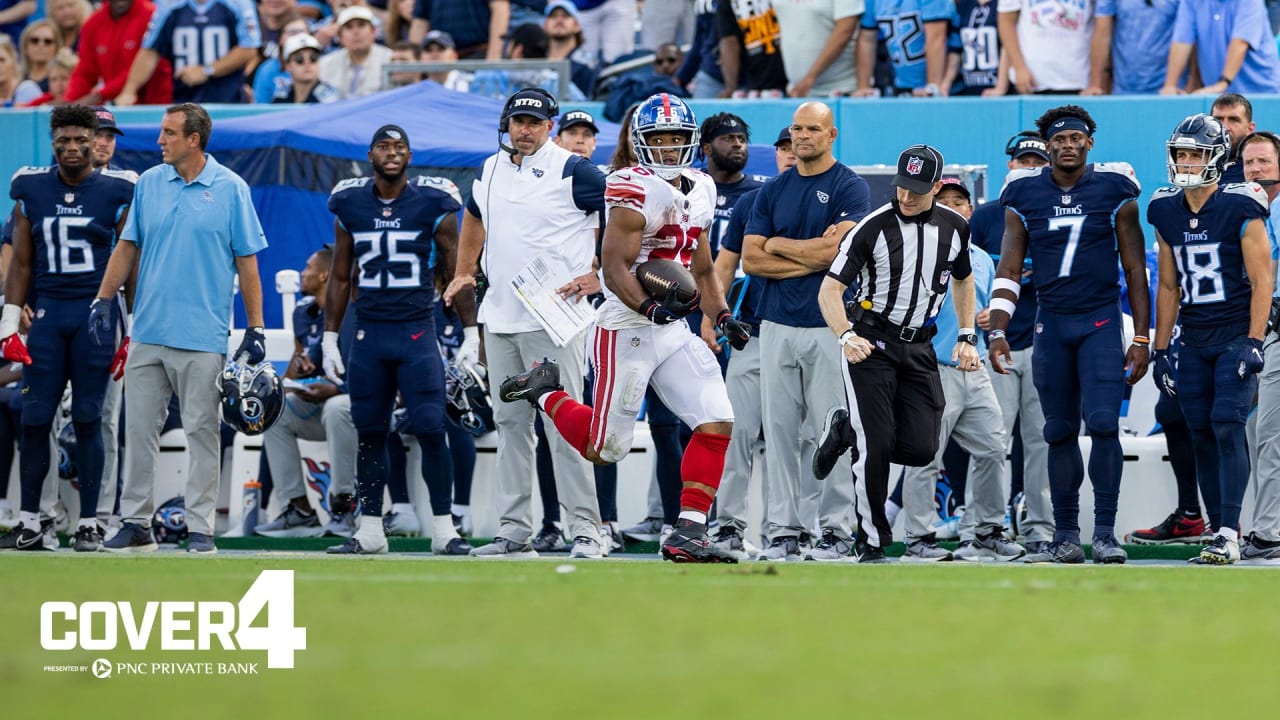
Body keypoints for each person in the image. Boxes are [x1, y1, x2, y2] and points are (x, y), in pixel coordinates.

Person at [497, 92, 751, 564]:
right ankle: (545, 392)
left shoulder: (701, 186)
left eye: (678, 138)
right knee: (604, 448)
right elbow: (614, 267)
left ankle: (688, 531)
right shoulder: (631, 187)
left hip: (671, 328)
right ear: (640, 142)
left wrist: (721, 315)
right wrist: (648, 309)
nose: (670, 147)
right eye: (660, 138)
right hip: (626, 326)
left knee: (716, 418)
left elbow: (700, 262)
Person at [97, 103, 268, 554]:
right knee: (138, 432)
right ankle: (135, 523)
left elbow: (247, 264)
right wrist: (103, 297)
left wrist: (255, 328)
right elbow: (127, 246)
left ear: (194, 139)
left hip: (202, 336)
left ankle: (200, 528)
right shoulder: (149, 183)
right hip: (147, 332)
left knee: (202, 434)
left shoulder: (232, 189)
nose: (159, 141)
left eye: (169, 133)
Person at [443, 88, 606, 559]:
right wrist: (463, 271)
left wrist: (600, 274)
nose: (526, 129)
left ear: (550, 126)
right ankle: (515, 533)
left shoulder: (574, 169)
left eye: (535, 122)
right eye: (518, 121)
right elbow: (473, 215)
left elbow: (625, 216)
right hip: (500, 318)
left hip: (555, 319)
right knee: (511, 425)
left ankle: (587, 532)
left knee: (565, 425)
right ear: (507, 123)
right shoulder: (491, 168)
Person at [987, 105, 1151, 564]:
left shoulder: (1116, 189)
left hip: (1099, 320)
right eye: (1059, 139)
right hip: (1052, 322)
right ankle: (1064, 534)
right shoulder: (1024, 194)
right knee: (1057, 430)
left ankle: (1104, 533)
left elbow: (1135, 268)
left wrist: (1140, 337)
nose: (1068, 145)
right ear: (1048, 147)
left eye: (1076, 138)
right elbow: (1009, 267)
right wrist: (998, 328)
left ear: (1089, 143)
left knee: (1102, 424)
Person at [813, 146, 980, 563]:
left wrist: (966, 333)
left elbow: (963, 279)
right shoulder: (871, 227)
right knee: (875, 447)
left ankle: (847, 430)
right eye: (902, 187)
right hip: (871, 341)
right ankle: (871, 541)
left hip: (920, 344)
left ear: (937, 188)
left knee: (923, 448)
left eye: (918, 190)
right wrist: (846, 335)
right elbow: (830, 289)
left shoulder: (955, 227)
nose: (907, 197)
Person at [321, 125, 475, 557]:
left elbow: (456, 268)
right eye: (385, 147)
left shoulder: (435, 202)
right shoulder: (349, 203)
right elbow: (339, 274)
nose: (393, 153)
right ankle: (370, 528)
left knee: (430, 426)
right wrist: (331, 338)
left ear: (410, 155)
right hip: (369, 331)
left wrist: (471, 332)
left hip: (416, 329)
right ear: (370, 155)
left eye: (400, 147)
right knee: (370, 431)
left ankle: (444, 529)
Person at [0, 104, 135, 552]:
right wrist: (8, 317)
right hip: (49, 314)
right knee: (36, 416)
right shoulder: (31, 186)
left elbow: (129, 258)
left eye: (81, 140)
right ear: (53, 142)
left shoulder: (120, 188)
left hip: (95, 314)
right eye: (64, 141)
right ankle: (31, 520)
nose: (73, 149)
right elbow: (21, 258)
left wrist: (131, 324)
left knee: (89, 417)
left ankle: (90, 522)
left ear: (94, 141)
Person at [742, 101, 870, 561]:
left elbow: (836, 259)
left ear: (831, 134)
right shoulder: (772, 191)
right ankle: (784, 531)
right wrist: (807, 251)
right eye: (796, 129)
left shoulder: (848, 186)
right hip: (775, 324)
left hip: (827, 326)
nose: (802, 137)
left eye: (812, 129)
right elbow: (751, 260)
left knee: (832, 431)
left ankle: (836, 531)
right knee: (777, 433)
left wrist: (777, 244)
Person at [1148, 114, 1271, 565]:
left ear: (1217, 157)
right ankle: (1221, 531)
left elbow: (1263, 282)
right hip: (1194, 337)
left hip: (1235, 333)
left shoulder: (1241, 206)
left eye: (1194, 153)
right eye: (1180, 153)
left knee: (1226, 425)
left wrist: (1255, 341)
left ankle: (1228, 530)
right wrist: (1160, 349)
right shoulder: (1163, 209)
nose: (1185, 162)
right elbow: (1167, 285)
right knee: (1198, 429)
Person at [898, 177, 1026, 562]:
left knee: (991, 448)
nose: (954, 206)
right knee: (926, 456)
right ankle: (919, 537)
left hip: (976, 367)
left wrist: (988, 317)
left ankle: (986, 530)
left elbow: (983, 308)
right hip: (930, 366)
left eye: (961, 201)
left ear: (971, 210)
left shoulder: (984, 259)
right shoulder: (916, 249)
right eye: (945, 200)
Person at [707, 124, 795, 560]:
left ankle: (785, 530)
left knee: (792, 439)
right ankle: (727, 526)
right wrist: (713, 317)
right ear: (776, 154)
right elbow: (729, 263)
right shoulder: (754, 200)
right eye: (783, 148)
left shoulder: (832, 197)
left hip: (801, 329)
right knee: (736, 434)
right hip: (750, 331)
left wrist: (771, 254)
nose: (791, 154)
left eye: (797, 145)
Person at [968, 131, 1054, 552]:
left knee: (1040, 441)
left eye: (1038, 161)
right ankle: (983, 526)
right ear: (1010, 165)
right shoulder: (984, 218)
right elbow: (960, 276)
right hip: (994, 343)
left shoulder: (1056, 209)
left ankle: (1040, 528)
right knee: (989, 441)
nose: (1031, 168)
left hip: (1043, 340)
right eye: (1024, 161)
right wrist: (976, 314)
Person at [254, 247, 360, 539]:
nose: (303, 273)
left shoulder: (362, 313)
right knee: (276, 411)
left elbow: (377, 375)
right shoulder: (318, 313)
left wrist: (335, 388)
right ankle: (299, 508)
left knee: (338, 406)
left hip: (364, 407)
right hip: (327, 406)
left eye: (308, 267)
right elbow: (305, 361)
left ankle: (343, 507)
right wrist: (303, 368)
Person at [115, 0, 261, 105]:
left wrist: (206, 70)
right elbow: (150, 51)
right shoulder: (168, 6)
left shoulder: (238, 4)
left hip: (227, 99)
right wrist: (129, 91)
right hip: (183, 100)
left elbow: (248, 50)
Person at [1161, 0, 1280, 96]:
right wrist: (1170, 86)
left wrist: (1222, 84)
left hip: (1261, 92)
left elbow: (1240, 43)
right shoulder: (1190, 2)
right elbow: (1182, 41)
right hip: (1220, 97)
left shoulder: (1250, 2)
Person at [66, 0, 171, 106]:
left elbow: (143, 65)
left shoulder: (153, 16)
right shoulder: (93, 23)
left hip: (156, 104)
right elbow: (85, 71)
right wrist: (70, 101)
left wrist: (100, 95)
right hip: (116, 104)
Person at [319, 6, 393, 99]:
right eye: (349, 27)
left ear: (373, 31)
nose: (356, 32)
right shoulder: (325, 64)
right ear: (340, 37)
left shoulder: (390, 59)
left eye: (361, 25)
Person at [273, 34, 340, 103]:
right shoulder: (281, 95)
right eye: (299, 59)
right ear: (287, 65)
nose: (307, 63)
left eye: (313, 58)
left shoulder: (330, 98)